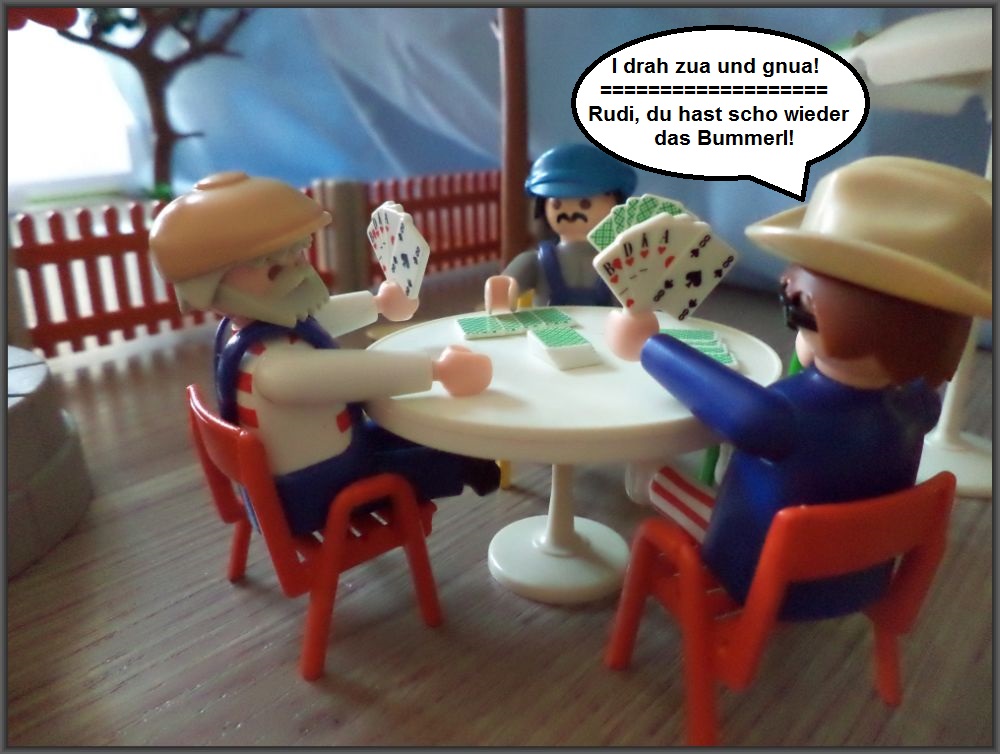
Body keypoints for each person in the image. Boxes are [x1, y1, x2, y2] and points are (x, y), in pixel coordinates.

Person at [605, 156, 991, 620]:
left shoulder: (779, 417)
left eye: (795, 309)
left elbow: (735, 407)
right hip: (859, 577)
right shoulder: (920, 406)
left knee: (655, 476)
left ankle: (647, 480)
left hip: (757, 574)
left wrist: (649, 345)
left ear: (816, 308)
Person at [151, 171, 500, 535]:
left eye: (299, 255)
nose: (299, 274)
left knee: (401, 433)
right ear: (209, 288)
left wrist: (378, 303)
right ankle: (465, 468)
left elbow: (312, 317)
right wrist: (436, 370)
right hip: (316, 490)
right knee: (417, 465)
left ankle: (462, 459)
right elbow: (351, 374)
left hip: (326, 456)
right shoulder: (273, 369)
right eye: (274, 269)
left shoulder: (244, 328)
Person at [484, 143, 637, 312]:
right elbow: (506, 285)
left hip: (607, 328)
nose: (569, 212)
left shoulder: (625, 262)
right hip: (549, 328)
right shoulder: (537, 261)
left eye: (585, 204)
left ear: (616, 203)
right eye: (557, 204)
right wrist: (502, 292)